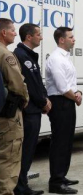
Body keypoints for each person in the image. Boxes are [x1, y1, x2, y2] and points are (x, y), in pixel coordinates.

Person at [14, 24, 52, 195]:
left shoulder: (29, 55)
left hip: (35, 108)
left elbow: (38, 81)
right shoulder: (21, 55)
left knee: (29, 149)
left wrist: (45, 98)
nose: (41, 37)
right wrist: (42, 101)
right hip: (29, 110)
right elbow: (28, 85)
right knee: (26, 149)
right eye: (38, 34)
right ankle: (20, 187)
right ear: (29, 37)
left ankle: (22, 185)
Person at [46, 27, 82, 194]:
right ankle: (56, 182)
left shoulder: (66, 57)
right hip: (60, 102)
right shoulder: (56, 58)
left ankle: (61, 176)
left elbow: (71, 82)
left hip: (67, 101)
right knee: (60, 143)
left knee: (67, 142)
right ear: (61, 39)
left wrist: (78, 93)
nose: (74, 39)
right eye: (71, 37)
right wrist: (75, 97)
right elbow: (61, 87)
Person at [0, 18, 29, 195]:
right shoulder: (6, 54)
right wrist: (25, 100)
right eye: (12, 30)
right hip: (7, 116)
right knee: (9, 158)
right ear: (3, 32)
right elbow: (17, 84)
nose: (15, 33)